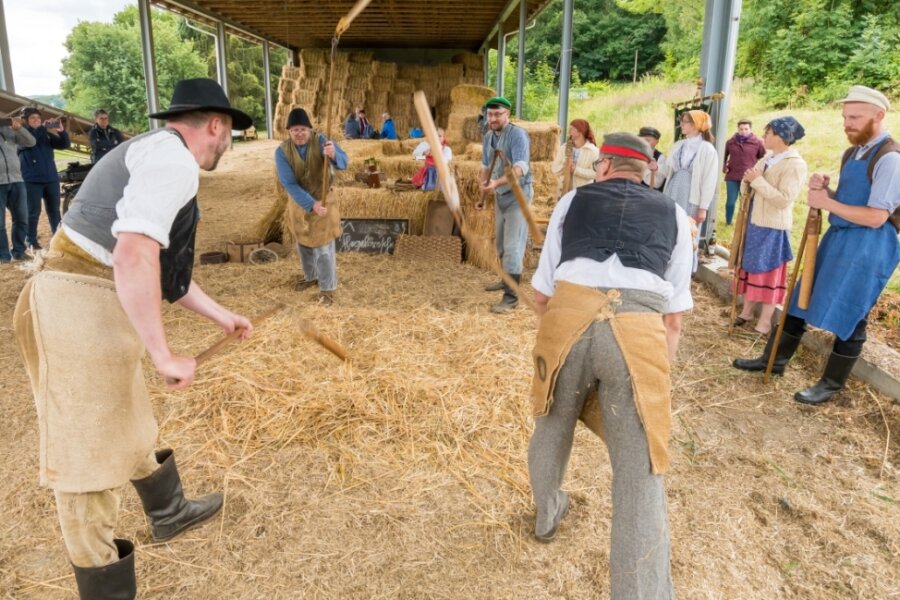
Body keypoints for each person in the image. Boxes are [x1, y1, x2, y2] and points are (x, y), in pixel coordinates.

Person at [13, 78, 255, 599]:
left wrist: (222, 316)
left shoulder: (157, 153)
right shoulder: (174, 162)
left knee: (129, 415)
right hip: (74, 301)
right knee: (87, 455)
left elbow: (168, 273)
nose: (228, 143)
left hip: (94, 300)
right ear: (215, 124)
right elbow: (133, 255)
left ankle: (168, 512)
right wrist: (162, 352)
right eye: (229, 132)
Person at [529, 133, 693, 599]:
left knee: (552, 421)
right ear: (649, 173)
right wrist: (657, 376)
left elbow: (542, 295)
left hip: (568, 321)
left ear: (604, 167)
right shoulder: (676, 216)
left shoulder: (570, 202)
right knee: (639, 466)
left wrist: (558, 327)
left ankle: (547, 514)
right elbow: (675, 318)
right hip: (639, 330)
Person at [733, 85, 900, 405]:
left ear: (879, 116)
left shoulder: (890, 157)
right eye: (844, 116)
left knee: (852, 313)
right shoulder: (854, 152)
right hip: (839, 238)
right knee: (800, 299)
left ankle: (830, 384)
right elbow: (852, 202)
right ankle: (773, 361)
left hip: (870, 246)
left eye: (855, 117)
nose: (847, 123)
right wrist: (829, 192)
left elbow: (878, 216)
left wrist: (827, 202)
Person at [733, 117, 807, 335]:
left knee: (769, 272)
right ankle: (746, 312)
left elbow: (784, 199)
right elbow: (752, 181)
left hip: (773, 226)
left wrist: (756, 181)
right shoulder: (767, 158)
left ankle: (764, 322)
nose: (764, 136)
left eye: (769, 133)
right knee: (750, 267)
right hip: (755, 221)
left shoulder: (795, 164)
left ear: (782, 136)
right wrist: (748, 180)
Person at [275, 107, 349, 306]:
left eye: (303, 129)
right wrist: (310, 204)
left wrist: (333, 155)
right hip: (300, 203)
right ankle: (311, 277)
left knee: (323, 247)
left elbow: (344, 163)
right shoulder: (282, 152)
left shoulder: (322, 140)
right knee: (304, 244)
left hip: (324, 200)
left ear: (310, 129)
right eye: (294, 130)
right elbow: (289, 183)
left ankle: (328, 289)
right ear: (289, 132)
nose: (299, 133)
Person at [476, 96, 533, 314]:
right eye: (490, 114)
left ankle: (511, 298)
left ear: (507, 114)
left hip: (518, 196)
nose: (493, 118)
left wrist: (495, 183)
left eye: (497, 114)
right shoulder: (489, 136)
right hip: (501, 196)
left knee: (512, 248)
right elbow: (484, 165)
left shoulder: (518, 135)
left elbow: (520, 169)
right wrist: (484, 190)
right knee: (500, 245)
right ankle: (506, 279)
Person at [18, 106, 70, 249]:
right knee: (33, 212)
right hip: (32, 180)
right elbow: (32, 141)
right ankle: (31, 241)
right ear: (25, 121)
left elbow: (64, 145)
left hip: (51, 178)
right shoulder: (21, 134)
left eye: (38, 118)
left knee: (54, 210)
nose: (37, 120)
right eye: (33, 118)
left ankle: (58, 238)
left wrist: (61, 130)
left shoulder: (45, 133)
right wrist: (44, 127)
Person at [0, 115, 35, 262]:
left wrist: (19, 128)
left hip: (17, 180)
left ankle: (19, 251)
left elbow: (31, 142)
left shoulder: (7, 130)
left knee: (22, 218)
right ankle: (3, 255)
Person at [723, 119, 766, 225]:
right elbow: (722, 155)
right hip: (732, 176)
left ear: (750, 129)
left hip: (748, 177)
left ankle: (744, 222)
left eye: (746, 129)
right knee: (730, 202)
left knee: (746, 202)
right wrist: (724, 167)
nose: (743, 131)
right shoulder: (730, 142)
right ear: (738, 129)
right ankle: (728, 221)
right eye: (741, 129)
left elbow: (763, 158)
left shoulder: (758, 142)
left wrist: (758, 171)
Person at [551, 118, 600, 194]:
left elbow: (596, 173)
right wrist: (565, 166)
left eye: (572, 129)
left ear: (580, 131)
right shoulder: (565, 147)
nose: (569, 131)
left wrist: (575, 170)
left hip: (582, 194)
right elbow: (554, 168)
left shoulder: (593, 151)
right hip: (562, 193)